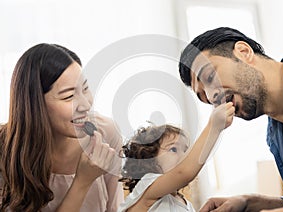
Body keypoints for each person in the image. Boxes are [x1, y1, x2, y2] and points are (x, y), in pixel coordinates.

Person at [178, 27, 283, 211]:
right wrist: (249, 202)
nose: (213, 97)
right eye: (204, 98)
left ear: (244, 52)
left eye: (210, 76)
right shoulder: (277, 133)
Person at [0, 43, 124, 211]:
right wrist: (82, 182)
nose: (86, 104)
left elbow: (115, 208)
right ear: (35, 105)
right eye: (69, 96)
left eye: (85, 88)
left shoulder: (106, 132)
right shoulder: (6, 148)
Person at [118, 102, 235, 211]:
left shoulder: (184, 203)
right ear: (149, 159)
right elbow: (183, 172)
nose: (184, 156)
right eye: (173, 149)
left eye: (185, 150)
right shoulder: (148, 185)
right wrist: (214, 127)